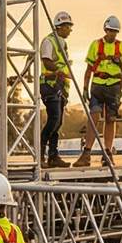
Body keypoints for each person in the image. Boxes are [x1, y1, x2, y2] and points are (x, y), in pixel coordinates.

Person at [75, 15, 122, 167]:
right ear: (105, 30)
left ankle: (107, 153)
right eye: (110, 31)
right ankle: (86, 153)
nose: (112, 34)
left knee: (110, 119)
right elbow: (89, 69)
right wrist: (85, 88)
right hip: (98, 85)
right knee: (93, 118)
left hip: (114, 86)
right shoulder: (96, 45)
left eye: (115, 32)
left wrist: (119, 62)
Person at [39, 11, 74, 169]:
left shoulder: (62, 43)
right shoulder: (49, 41)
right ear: (61, 27)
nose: (70, 30)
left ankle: (53, 156)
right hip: (50, 84)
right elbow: (47, 62)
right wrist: (59, 71)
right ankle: (41, 155)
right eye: (68, 27)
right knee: (54, 119)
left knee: (58, 122)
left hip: (60, 86)